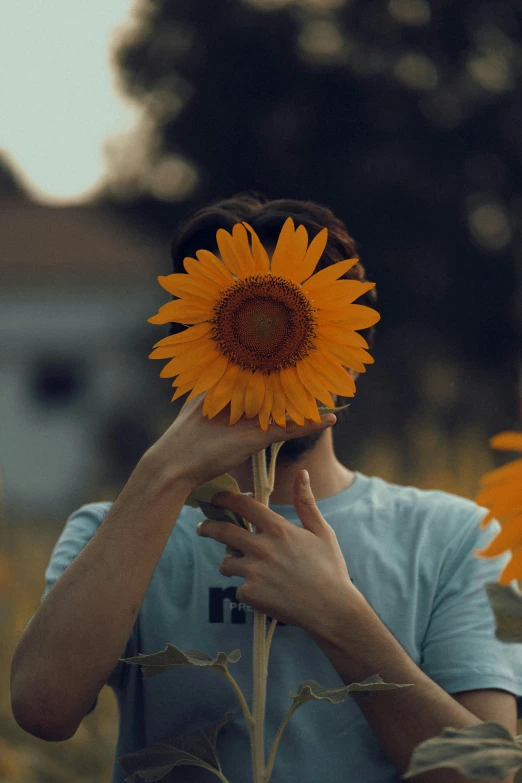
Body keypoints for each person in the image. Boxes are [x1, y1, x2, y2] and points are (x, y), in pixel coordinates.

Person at [11, 193, 522, 783]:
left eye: (294, 322)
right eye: (244, 327)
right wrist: (162, 474)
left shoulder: (456, 536)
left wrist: (338, 615)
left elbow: (485, 776)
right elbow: (42, 709)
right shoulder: (116, 531)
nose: (268, 350)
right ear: (198, 351)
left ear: (352, 353)